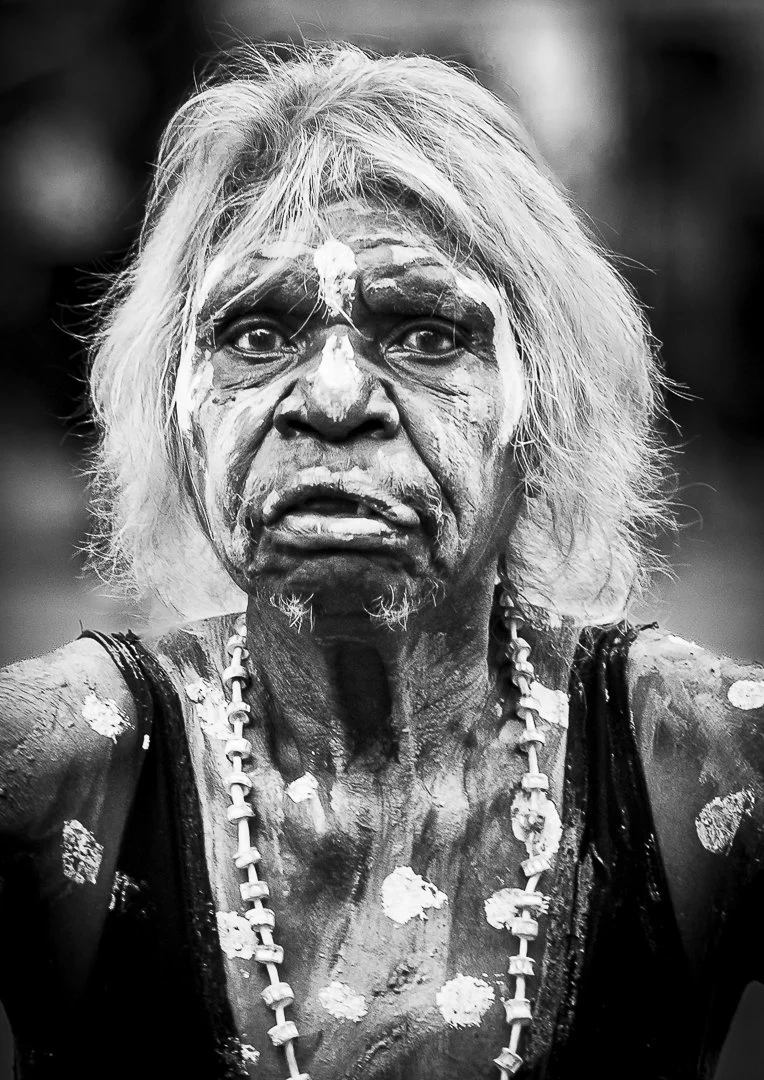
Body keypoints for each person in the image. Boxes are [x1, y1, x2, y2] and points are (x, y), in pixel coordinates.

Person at [0, 43, 762, 1080]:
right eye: (257, 333)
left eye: (426, 334)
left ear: (542, 405)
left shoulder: (709, 763)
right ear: (175, 410)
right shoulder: (45, 769)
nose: (333, 398)